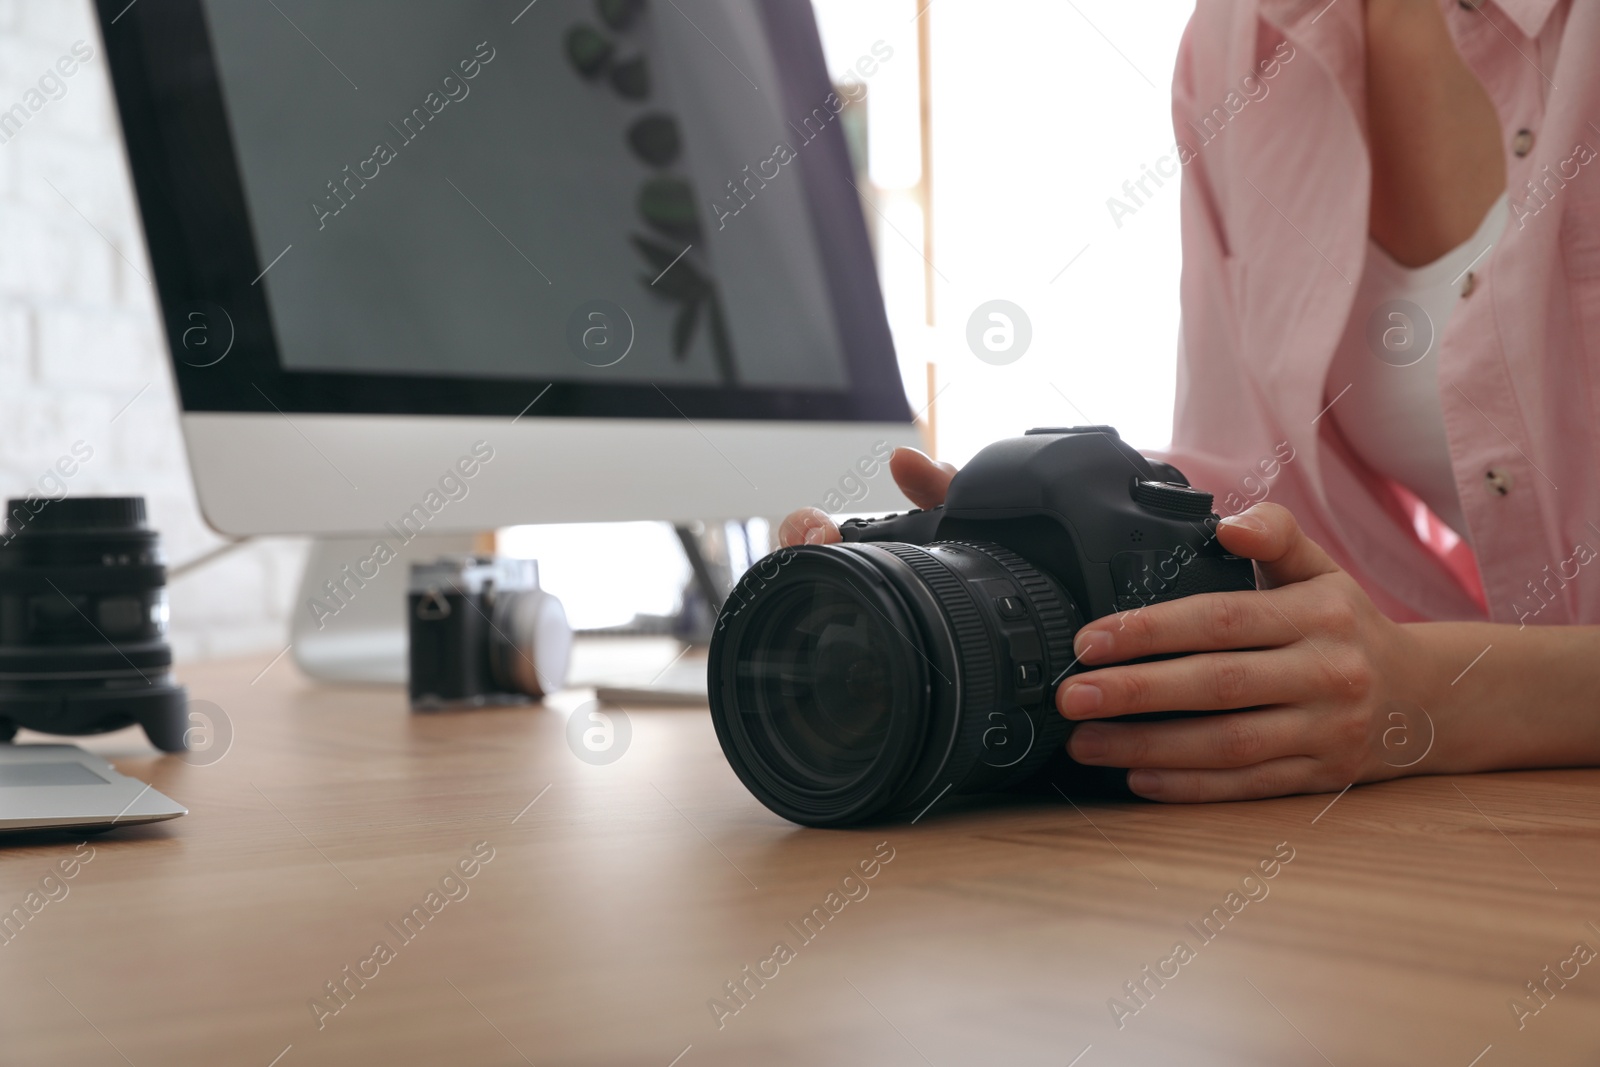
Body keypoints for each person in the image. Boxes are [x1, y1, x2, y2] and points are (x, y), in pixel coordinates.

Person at [778, 0, 1600, 803]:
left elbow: (1412, 684)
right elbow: (1260, 489)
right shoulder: (1240, 40)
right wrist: (1021, 546)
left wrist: (1440, 696)